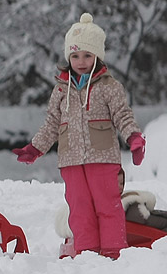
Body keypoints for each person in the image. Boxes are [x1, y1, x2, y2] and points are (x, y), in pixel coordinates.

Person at [15, 13, 144, 259]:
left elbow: (122, 115)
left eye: (87, 55)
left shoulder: (109, 87)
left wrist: (134, 138)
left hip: (103, 157)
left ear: (97, 55)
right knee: (80, 208)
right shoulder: (61, 90)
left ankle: (113, 251)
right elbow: (52, 123)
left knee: (107, 205)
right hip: (71, 160)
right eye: (75, 56)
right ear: (68, 57)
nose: (81, 61)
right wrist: (35, 148)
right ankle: (87, 253)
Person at [56, 168, 167, 238]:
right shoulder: (125, 202)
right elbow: (142, 218)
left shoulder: (121, 199)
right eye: (116, 182)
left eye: (122, 183)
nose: (120, 186)